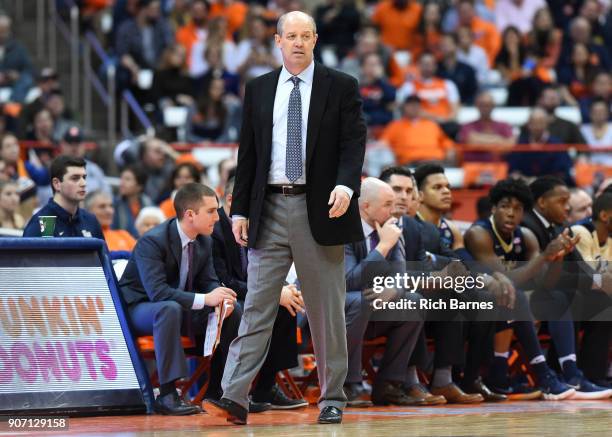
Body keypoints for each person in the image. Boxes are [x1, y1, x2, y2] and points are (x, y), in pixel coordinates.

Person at [204, 11, 366, 426]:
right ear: (277, 40)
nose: (298, 42)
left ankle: (333, 396)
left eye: (305, 36)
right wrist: (239, 209)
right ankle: (234, 395)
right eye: (290, 35)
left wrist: (347, 186)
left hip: (320, 206)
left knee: (326, 309)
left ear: (315, 40)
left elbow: (353, 144)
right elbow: (249, 154)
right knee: (258, 305)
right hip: (269, 206)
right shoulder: (258, 88)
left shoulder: (341, 85)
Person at [119, 183, 239, 415]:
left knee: (234, 310)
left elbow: (209, 282)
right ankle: (167, 394)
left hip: (180, 305)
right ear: (190, 215)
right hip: (140, 308)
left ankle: (218, 392)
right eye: (212, 211)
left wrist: (221, 298)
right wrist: (206, 298)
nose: (217, 216)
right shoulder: (152, 241)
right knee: (168, 308)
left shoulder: (205, 240)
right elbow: (158, 293)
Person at [464, 178, 583, 400]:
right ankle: (539, 374)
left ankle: (571, 372)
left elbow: (544, 283)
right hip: (477, 306)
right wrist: (545, 256)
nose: (511, 213)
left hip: (512, 308)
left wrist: (557, 258)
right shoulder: (478, 234)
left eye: (517, 209)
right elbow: (506, 281)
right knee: (512, 294)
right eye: (505, 206)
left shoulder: (525, 237)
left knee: (555, 297)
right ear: (493, 208)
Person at [212, 175, 308, 409]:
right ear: (233, 200)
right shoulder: (215, 231)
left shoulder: (258, 226)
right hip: (225, 298)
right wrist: (272, 293)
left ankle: (266, 388)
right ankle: (227, 391)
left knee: (287, 306)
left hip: (252, 293)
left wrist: (284, 289)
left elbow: (271, 269)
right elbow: (223, 280)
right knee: (256, 309)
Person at [522, 176, 612, 395]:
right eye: (562, 201)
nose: (568, 206)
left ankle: (591, 374)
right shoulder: (527, 225)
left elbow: (580, 271)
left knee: (603, 302)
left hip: (550, 297)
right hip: (524, 296)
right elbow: (537, 278)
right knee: (569, 297)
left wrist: (601, 283)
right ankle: (568, 373)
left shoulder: (558, 227)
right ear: (542, 202)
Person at [343, 178, 425, 406]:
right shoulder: (343, 228)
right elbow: (348, 281)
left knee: (414, 302)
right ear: (366, 206)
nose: (394, 209)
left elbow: (401, 275)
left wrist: (394, 290)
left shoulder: (390, 227)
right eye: (387, 204)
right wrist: (382, 247)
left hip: (372, 306)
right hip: (335, 309)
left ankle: (389, 384)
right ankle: (348, 384)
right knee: (361, 301)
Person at [23, 156, 104, 239]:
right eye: (75, 178)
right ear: (57, 184)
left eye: (84, 177)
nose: (83, 183)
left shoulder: (90, 220)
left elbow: (103, 252)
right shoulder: (44, 223)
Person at [59, 126, 111, 195]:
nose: (74, 147)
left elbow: (108, 195)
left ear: (84, 145)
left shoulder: (94, 169)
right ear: (63, 145)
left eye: (77, 143)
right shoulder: (56, 169)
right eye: (70, 143)